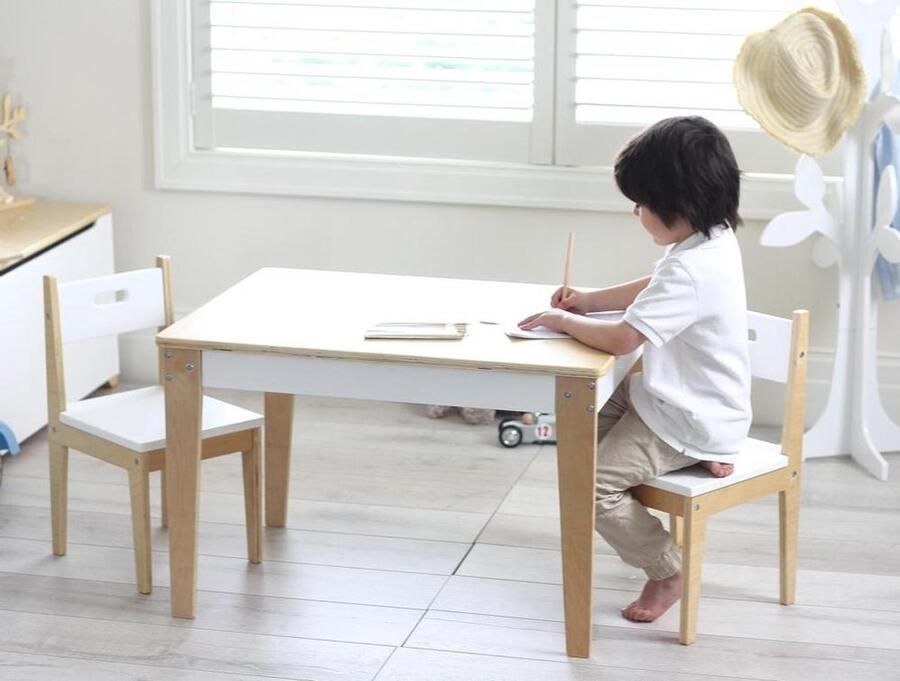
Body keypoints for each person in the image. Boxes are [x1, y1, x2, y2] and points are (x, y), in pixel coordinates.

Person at [519, 116, 751, 623]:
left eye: (641, 203)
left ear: (678, 205)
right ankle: (702, 453)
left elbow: (625, 338)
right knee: (581, 430)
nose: (636, 212)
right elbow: (655, 285)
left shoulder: (691, 268)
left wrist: (563, 320)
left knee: (589, 484)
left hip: (685, 414)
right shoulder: (710, 242)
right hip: (681, 396)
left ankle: (667, 570)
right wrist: (589, 301)